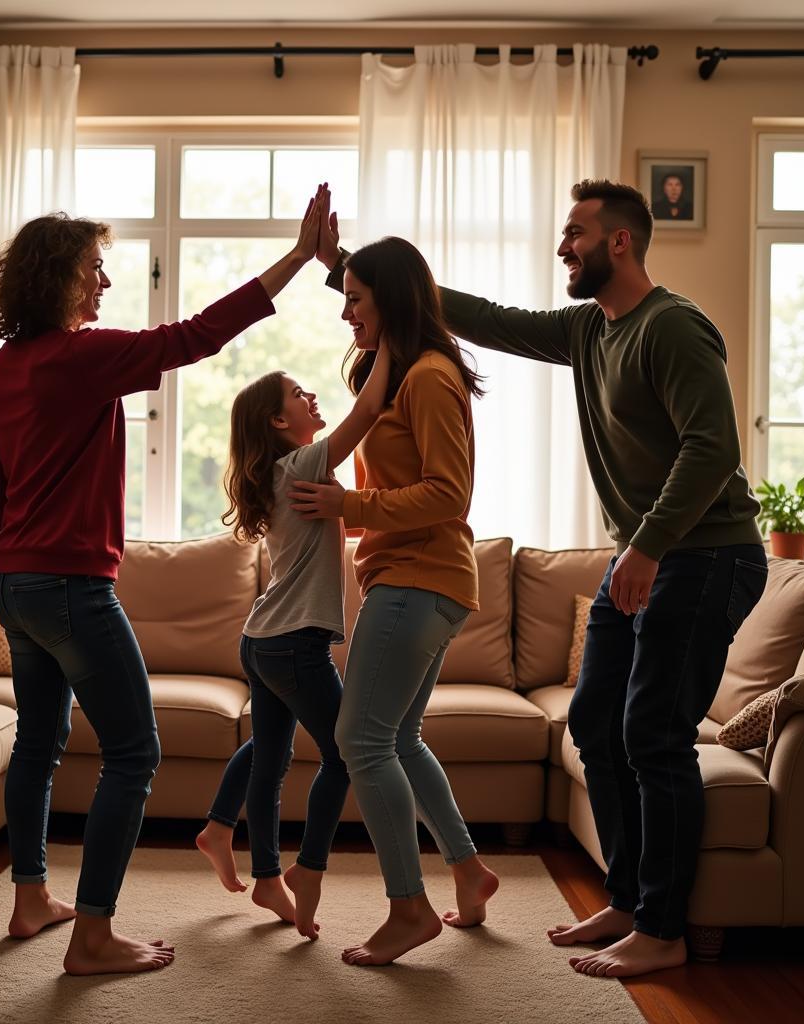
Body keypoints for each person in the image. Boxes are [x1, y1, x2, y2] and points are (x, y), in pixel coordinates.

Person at [317, 180, 766, 977]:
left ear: (619, 242)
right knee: (596, 724)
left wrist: (647, 546)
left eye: (576, 234)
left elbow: (712, 449)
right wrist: (348, 264)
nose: (564, 246)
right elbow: (486, 317)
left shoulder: (673, 327)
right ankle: (628, 901)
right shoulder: (589, 330)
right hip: (650, 555)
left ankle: (663, 929)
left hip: (704, 555)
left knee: (656, 738)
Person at [0, 189, 327, 976]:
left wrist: (15, 549)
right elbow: (197, 336)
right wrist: (299, 260)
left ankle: (32, 895)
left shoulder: (9, 364)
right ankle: (93, 933)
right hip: (70, 586)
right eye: (93, 270)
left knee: (38, 743)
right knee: (136, 753)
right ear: (58, 278)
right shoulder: (80, 356)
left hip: (19, 583)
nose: (103, 283)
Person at [290, 235, 500, 967]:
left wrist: (353, 505)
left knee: (361, 741)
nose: (345, 312)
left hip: (419, 576)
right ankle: (470, 872)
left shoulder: (431, 378)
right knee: (399, 741)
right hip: (418, 579)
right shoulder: (404, 368)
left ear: (393, 299)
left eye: (355, 298)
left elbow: (450, 493)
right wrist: (331, 266)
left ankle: (408, 908)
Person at [196, 304, 391, 941]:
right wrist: (388, 338)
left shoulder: (296, 473)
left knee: (271, 753)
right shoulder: (300, 464)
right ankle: (304, 870)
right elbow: (363, 414)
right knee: (344, 755)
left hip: (264, 640)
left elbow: (346, 522)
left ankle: (227, 836)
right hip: (290, 643)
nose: (312, 394)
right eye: (298, 394)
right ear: (280, 423)